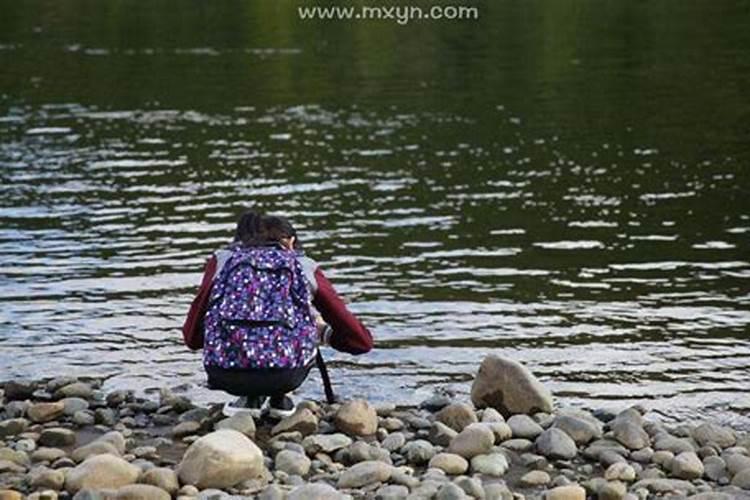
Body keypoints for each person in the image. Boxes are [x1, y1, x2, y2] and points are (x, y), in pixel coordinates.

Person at [183, 210, 373, 418]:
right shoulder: (303, 265)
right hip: (286, 375)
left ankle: (249, 399)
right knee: (301, 324)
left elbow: (192, 337)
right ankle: (279, 399)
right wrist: (322, 333)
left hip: (225, 373)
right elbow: (360, 341)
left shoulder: (222, 261)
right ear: (291, 242)